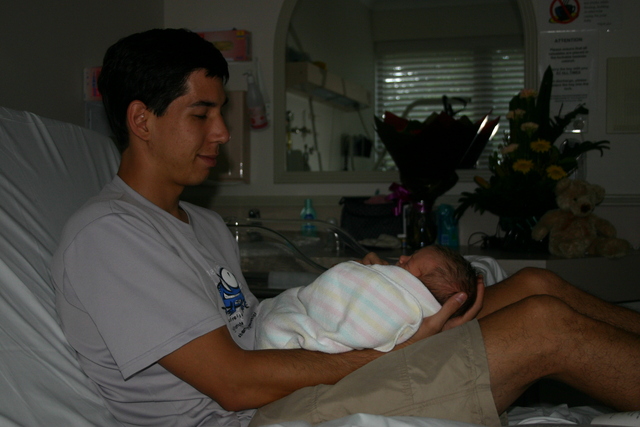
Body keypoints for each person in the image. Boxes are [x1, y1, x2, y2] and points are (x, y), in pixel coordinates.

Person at [51, 28, 640, 427]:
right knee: (543, 328)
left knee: (534, 286)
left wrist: (362, 294)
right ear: (141, 120)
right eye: (201, 114)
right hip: (253, 418)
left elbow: (258, 328)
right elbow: (232, 383)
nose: (223, 133)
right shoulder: (109, 236)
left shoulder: (201, 224)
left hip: (290, 386)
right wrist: (390, 352)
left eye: (220, 112)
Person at [256, 245, 478, 353]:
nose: (402, 257)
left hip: (290, 338)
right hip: (288, 339)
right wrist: (362, 274)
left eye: (410, 262)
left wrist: (355, 274)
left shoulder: (408, 311)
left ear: (417, 287)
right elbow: (340, 284)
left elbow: (339, 281)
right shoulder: (386, 283)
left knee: (280, 318)